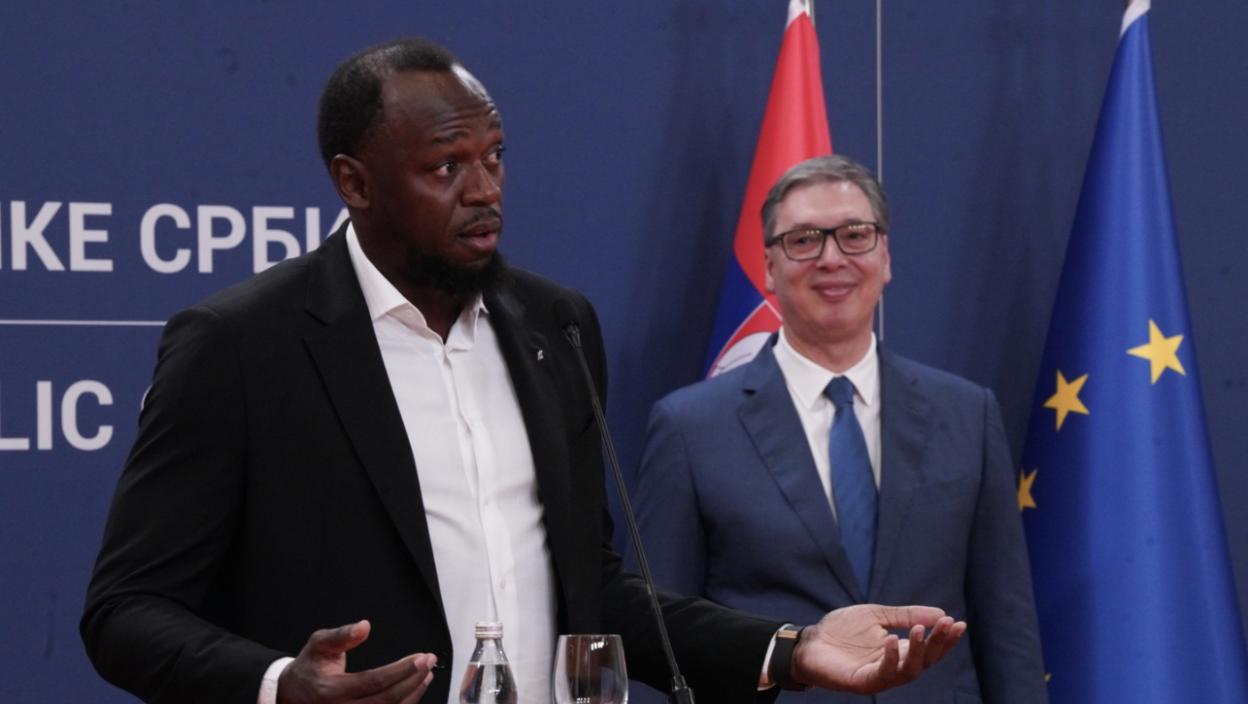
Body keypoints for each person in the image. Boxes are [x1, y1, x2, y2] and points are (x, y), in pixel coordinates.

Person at [80, 41, 965, 704]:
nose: (485, 190)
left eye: (494, 156)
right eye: (445, 167)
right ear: (355, 183)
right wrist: (279, 684)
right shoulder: (241, 345)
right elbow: (126, 611)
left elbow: (593, 591)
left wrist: (792, 648)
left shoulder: (555, 326)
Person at [631, 155, 1048, 703]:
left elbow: (1007, 630)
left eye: (854, 235)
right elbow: (660, 636)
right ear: (769, 267)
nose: (832, 258)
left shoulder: (967, 414)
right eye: (804, 240)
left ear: (885, 257)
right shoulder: (690, 428)